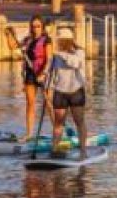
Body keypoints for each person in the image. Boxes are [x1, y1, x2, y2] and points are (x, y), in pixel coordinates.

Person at [49, 26, 90, 159]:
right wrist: (48, 87)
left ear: (66, 41)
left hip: (76, 91)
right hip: (60, 91)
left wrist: (60, 54)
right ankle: (54, 149)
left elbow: (75, 64)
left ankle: (83, 150)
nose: (58, 43)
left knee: (79, 121)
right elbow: (52, 73)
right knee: (58, 122)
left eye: (60, 41)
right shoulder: (56, 55)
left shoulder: (79, 52)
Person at [5, 15, 52, 134]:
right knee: (30, 104)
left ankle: (58, 131)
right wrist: (9, 35)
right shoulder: (28, 40)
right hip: (30, 74)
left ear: (42, 27)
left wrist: (44, 73)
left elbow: (50, 59)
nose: (35, 28)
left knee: (48, 104)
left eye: (38, 26)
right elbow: (12, 47)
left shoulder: (46, 40)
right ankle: (29, 133)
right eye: (33, 26)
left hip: (43, 73)